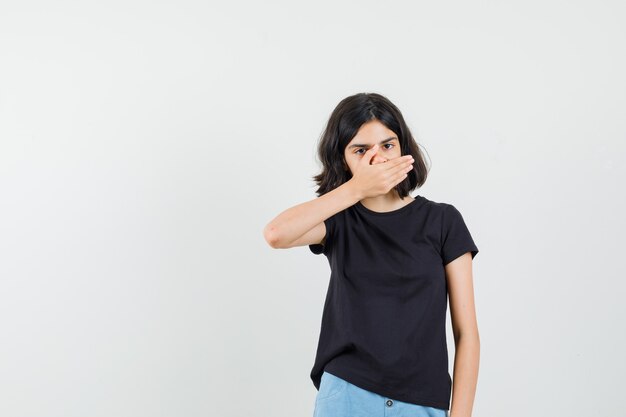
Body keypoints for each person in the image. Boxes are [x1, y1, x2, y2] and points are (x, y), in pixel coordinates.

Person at [263, 92, 480, 417]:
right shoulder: (339, 219)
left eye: (387, 145)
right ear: (343, 159)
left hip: (422, 401)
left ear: (404, 148)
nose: (377, 158)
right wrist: (357, 188)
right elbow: (276, 234)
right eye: (361, 150)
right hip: (347, 394)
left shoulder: (443, 221)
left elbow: (467, 334)